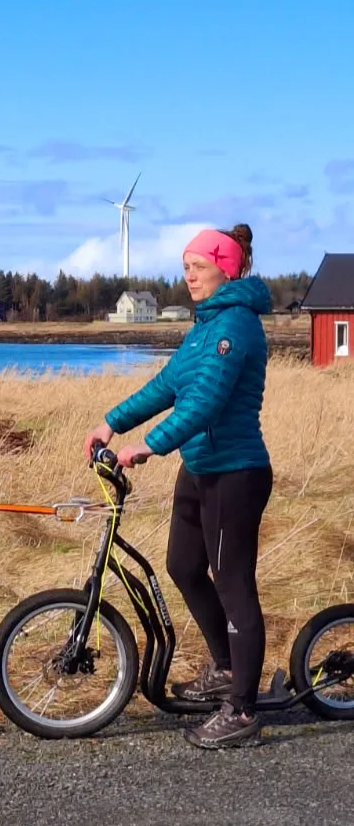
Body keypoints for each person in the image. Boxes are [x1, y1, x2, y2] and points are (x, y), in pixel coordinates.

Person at [82, 224, 273, 749]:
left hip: (235, 473)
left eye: (199, 267)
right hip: (200, 467)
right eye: (186, 267)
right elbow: (167, 385)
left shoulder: (236, 325)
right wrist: (111, 422)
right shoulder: (205, 325)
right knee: (184, 566)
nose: (189, 276)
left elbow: (207, 400)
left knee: (234, 585)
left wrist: (150, 445)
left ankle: (242, 709)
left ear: (226, 270)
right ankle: (226, 668)